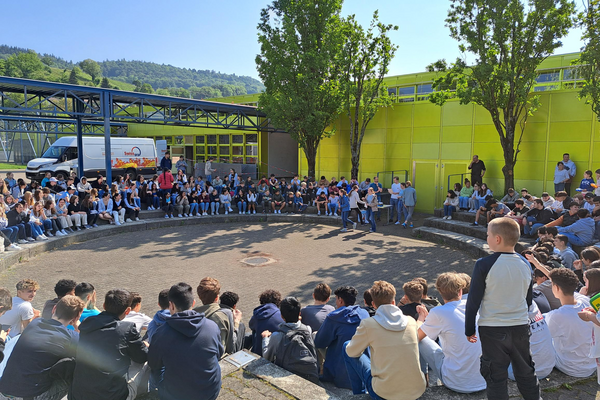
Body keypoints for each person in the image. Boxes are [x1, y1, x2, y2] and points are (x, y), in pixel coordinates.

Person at [465, 218, 540, 400]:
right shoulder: (525, 263)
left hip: (492, 328)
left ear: (497, 239)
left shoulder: (483, 264)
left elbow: (473, 300)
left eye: (488, 235)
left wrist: (469, 329)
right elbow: (528, 299)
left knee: (495, 376)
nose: (487, 238)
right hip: (520, 326)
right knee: (526, 371)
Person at [344, 280, 426, 400]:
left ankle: (359, 395)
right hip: (416, 390)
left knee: (347, 345)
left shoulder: (368, 324)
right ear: (393, 302)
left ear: (373, 304)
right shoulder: (410, 321)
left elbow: (351, 352)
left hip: (384, 393)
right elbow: (416, 329)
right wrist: (421, 318)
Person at [148, 282, 223, 400]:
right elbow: (219, 353)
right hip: (210, 391)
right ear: (193, 303)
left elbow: (154, 364)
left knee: (156, 373)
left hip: (177, 396)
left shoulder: (161, 333)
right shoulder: (212, 326)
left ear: (171, 305)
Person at [0, 296, 84, 400]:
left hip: (3, 391)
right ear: (75, 318)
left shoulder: (35, 323)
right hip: (29, 397)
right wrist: (78, 327)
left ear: (54, 309)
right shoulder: (71, 337)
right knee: (72, 372)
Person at [71, 289, 149, 400]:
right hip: (112, 395)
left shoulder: (87, 322)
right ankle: (144, 395)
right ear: (127, 310)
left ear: (104, 305)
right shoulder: (127, 329)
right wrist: (144, 345)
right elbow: (142, 357)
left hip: (79, 393)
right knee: (145, 362)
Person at [417, 273, 487, 394]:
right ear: (460, 291)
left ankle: (424, 381)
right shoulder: (476, 306)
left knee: (421, 340)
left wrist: (420, 320)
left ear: (440, 292)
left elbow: (416, 337)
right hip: (484, 380)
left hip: (456, 382)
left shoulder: (438, 312)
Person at [314, 286, 369, 389]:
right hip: (363, 371)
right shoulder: (364, 314)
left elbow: (319, 342)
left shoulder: (334, 317)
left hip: (340, 373)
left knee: (315, 335)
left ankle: (321, 369)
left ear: (340, 300)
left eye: (336, 299)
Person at [544, 268, 596, 377]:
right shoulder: (586, 301)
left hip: (571, 367)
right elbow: (563, 282)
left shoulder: (557, 316)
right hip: (592, 365)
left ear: (556, 288)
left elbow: (544, 339)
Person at [262, 297, 318, 383]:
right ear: (299, 314)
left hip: (286, 376)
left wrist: (265, 339)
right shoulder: (307, 329)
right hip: (308, 375)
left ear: (282, 316)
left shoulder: (277, 335)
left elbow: (267, 357)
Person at [194, 277, 234, 356]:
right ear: (217, 297)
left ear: (199, 297)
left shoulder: (192, 315)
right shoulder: (220, 318)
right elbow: (222, 349)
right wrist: (236, 324)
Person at [249, 290, 284, 355]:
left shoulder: (256, 315)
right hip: (276, 354)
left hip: (258, 352)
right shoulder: (282, 315)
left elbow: (251, 326)